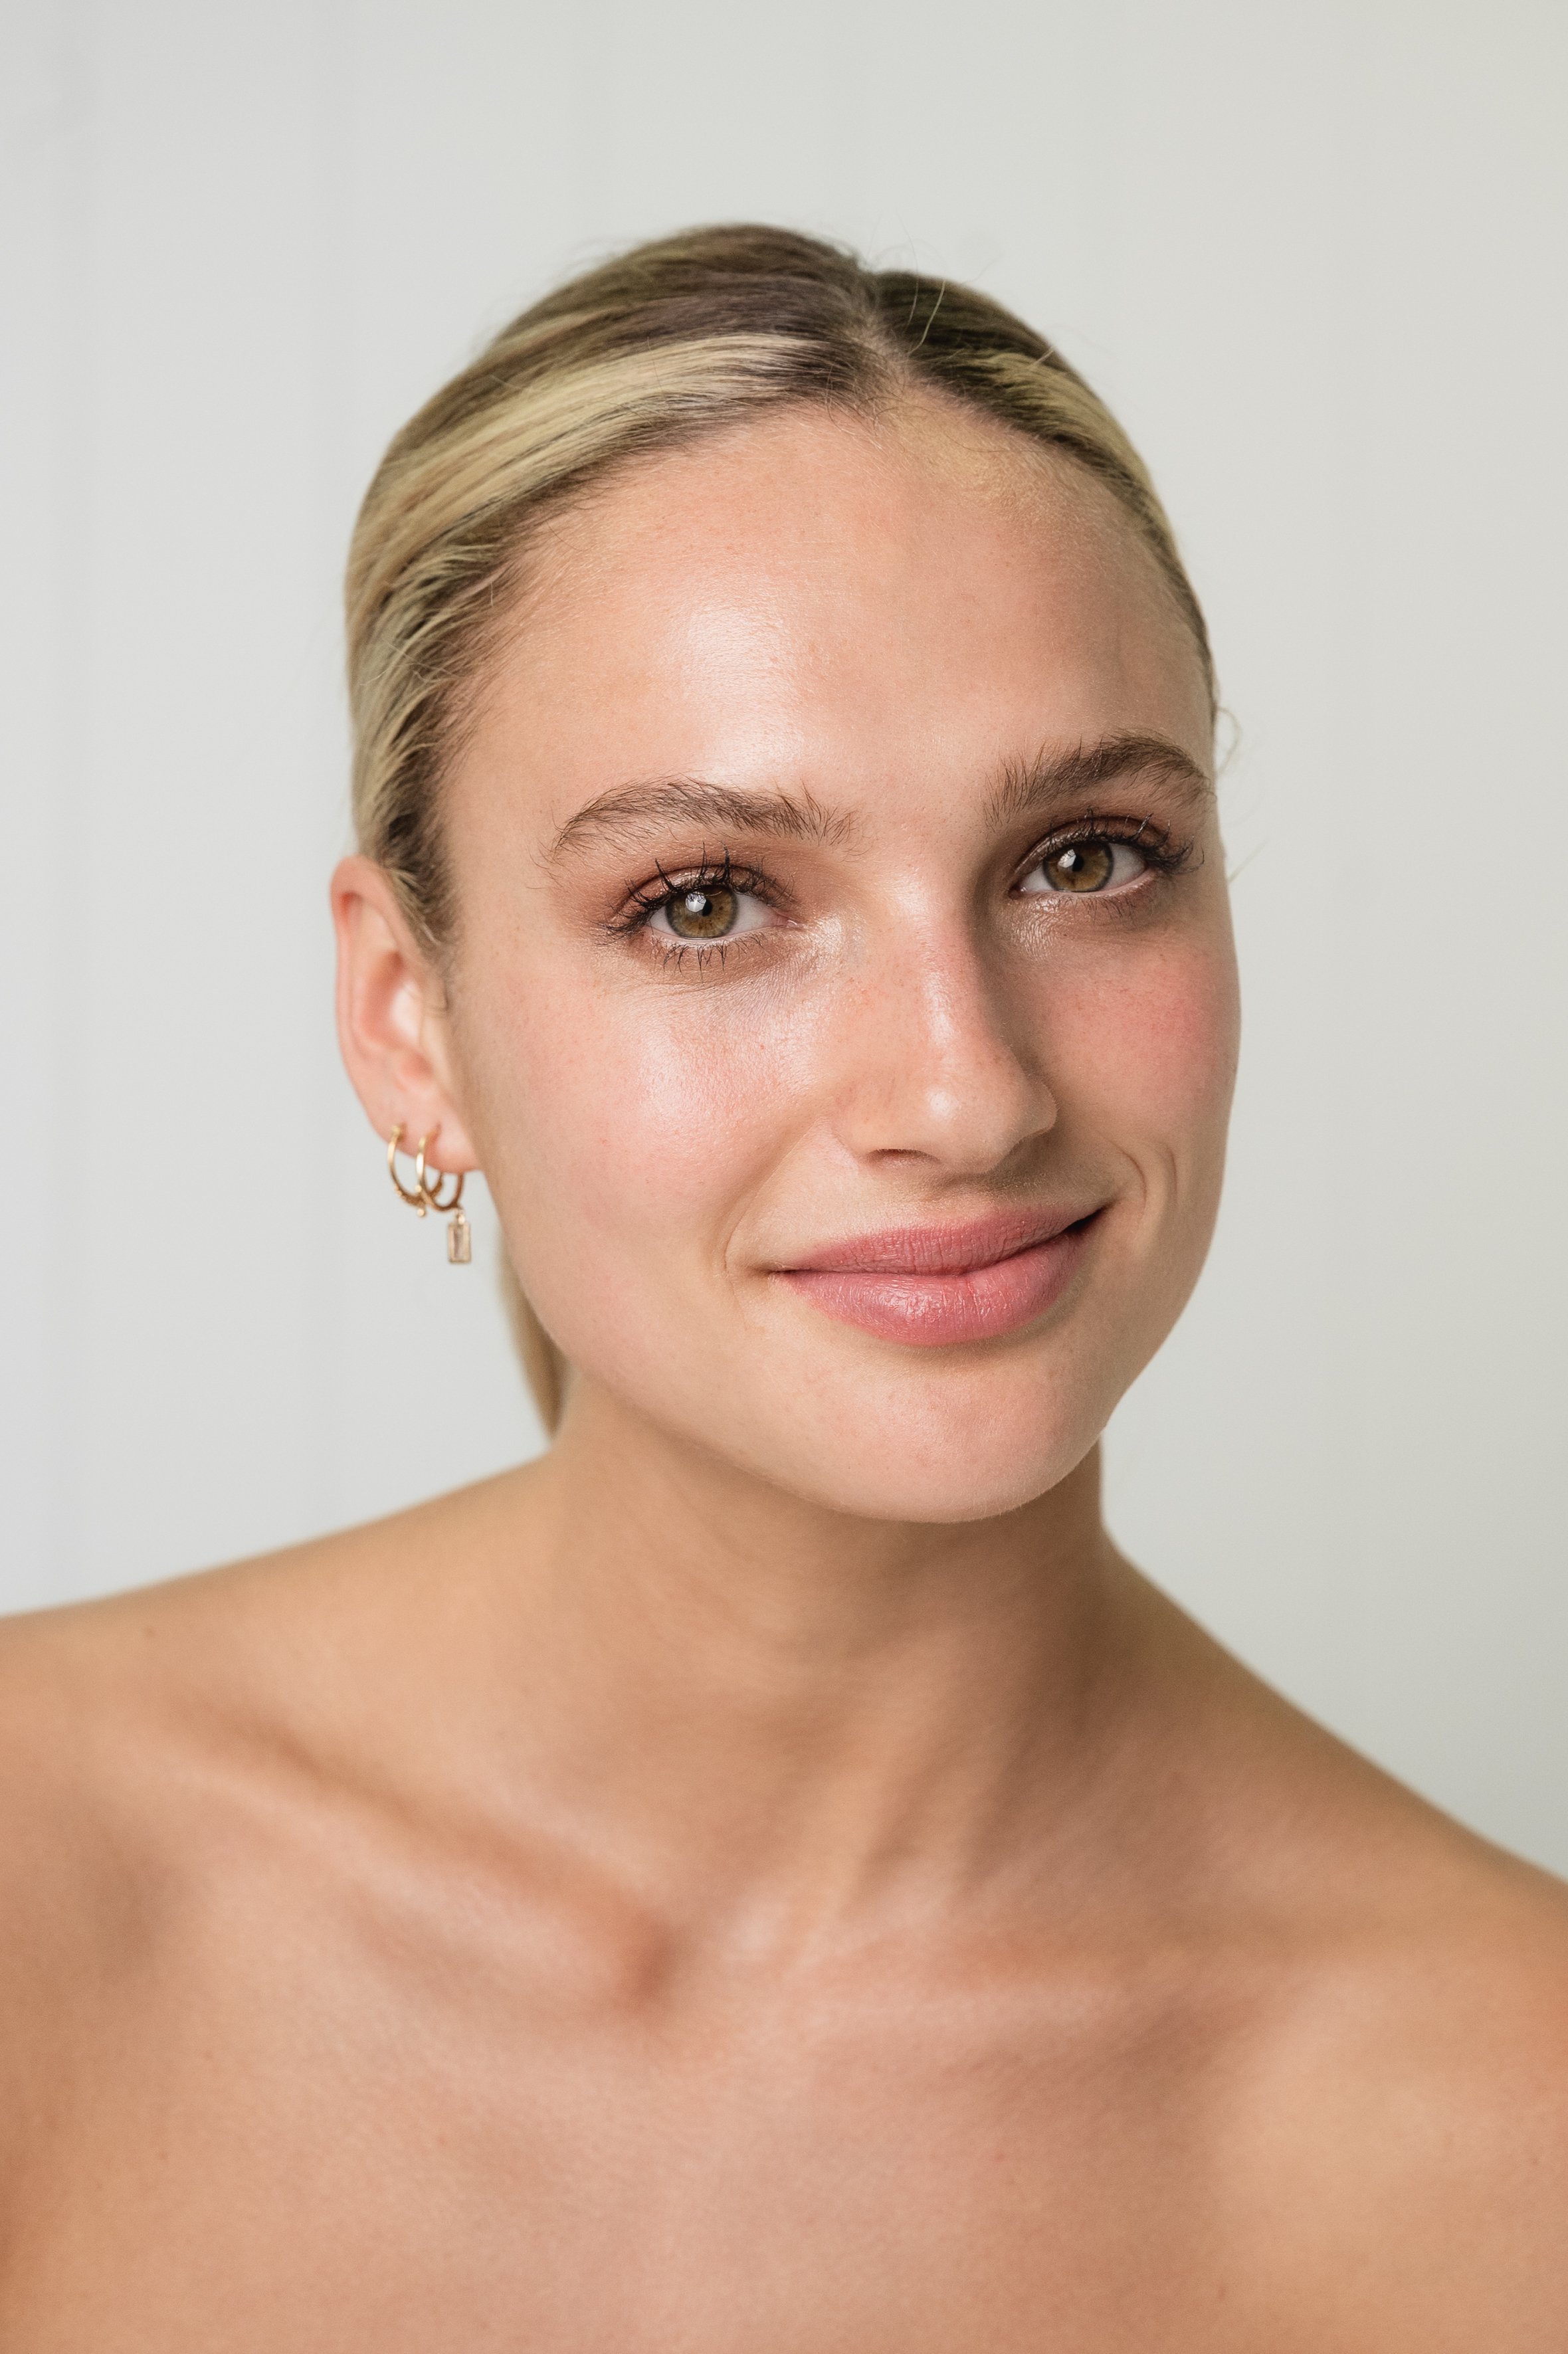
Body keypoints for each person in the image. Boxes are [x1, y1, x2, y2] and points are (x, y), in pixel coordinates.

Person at [1, 225, 1564, 2348]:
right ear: (407, 1018)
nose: (966, 1086)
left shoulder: (1513, 2127)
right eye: (711, 900)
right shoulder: (41, 1871)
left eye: (1085, 857)